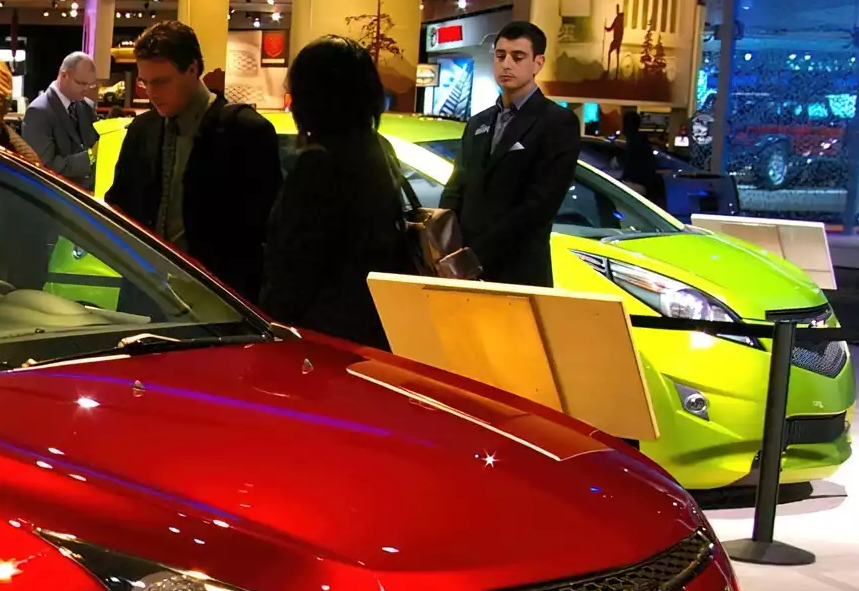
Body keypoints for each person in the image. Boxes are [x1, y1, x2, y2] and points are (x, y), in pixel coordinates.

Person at [105, 19, 280, 299]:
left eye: (161, 81)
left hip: (219, 297)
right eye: (145, 82)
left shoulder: (245, 132)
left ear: (193, 69)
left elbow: (263, 231)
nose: (152, 93)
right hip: (145, 293)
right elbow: (121, 203)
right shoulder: (142, 130)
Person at [259, 36, 407, 349]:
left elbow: (295, 265)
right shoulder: (378, 148)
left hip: (320, 336)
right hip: (372, 327)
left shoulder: (319, 164)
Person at [439, 19, 581, 288]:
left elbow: (539, 205)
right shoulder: (479, 122)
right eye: (500, 56)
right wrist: (446, 244)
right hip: (462, 269)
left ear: (538, 63)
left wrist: (476, 255)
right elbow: (457, 186)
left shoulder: (556, 122)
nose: (506, 64)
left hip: (517, 270)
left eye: (518, 57)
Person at [22, 51, 101, 190]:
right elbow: (45, 167)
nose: (86, 90)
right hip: (58, 197)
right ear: (64, 76)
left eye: (89, 85)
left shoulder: (85, 107)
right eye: (81, 83)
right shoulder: (38, 112)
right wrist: (90, 156)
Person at [619, 107, 668, 209]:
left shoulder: (635, 142)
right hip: (641, 185)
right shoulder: (641, 142)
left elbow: (631, 164)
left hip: (636, 184)